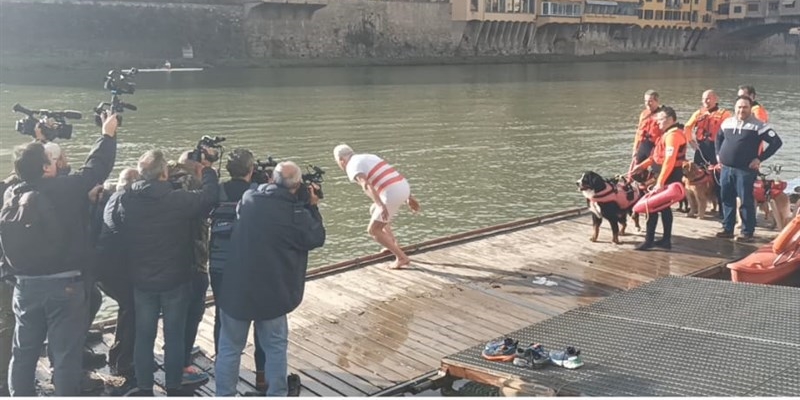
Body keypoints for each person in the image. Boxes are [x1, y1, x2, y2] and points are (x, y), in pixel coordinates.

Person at [1, 114, 118, 396]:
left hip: (25, 286)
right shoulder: (64, 188)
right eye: (51, 161)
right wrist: (107, 135)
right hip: (64, 286)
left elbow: (26, 168)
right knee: (66, 356)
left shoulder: (11, 193)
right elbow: (96, 169)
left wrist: (38, 141)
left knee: (23, 354)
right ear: (46, 168)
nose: (56, 163)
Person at [104, 149, 219, 396]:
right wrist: (207, 169)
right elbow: (209, 197)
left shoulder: (126, 199)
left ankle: (145, 388)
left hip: (142, 280)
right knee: (174, 336)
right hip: (175, 280)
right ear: (164, 174)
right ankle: (174, 386)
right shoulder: (176, 200)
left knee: (144, 337)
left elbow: (111, 221)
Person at [215, 161, 325, 397]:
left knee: (229, 349)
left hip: (237, 289)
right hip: (273, 293)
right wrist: (312, 206)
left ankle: (223, 395)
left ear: (272, 180)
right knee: (275, 349)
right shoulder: (297, 214)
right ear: (297, 186)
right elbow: (315, 237)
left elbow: (256, 198)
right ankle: (277, 394)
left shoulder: (249, 199)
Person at [209, 148, 269, 393]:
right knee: (260, 316)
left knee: (221, 317)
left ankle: (220, 365)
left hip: (220, 265)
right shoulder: (258, 194)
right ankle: (262, 375)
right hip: (251, 265)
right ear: (251, 170)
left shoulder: (217, 192)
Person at [333, 144, 420, 269]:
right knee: (373, 209)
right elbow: (391, 174)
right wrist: (409, 197)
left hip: (392, 193)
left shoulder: (352, 166)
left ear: (341, 160)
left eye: (338, 162)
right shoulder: (368, 157)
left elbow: (366, 185)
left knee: (373, 230)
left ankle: (402, 258)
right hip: (403, 186)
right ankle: (391, 243)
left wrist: (381, 204)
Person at [167, 152, 213, 387]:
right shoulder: (191, 188)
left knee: (174, 316)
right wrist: (208, 174)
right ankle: (183, 365)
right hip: (192, 263)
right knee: (192, 313)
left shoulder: (165, 182)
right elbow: (210, 200)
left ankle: (174, 351)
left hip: (168, 263)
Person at [94, 168, 140, 395]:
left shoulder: (108, 197)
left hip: (100, 268)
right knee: (131, 306)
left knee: (126, 306)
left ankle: (118, 353)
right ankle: (123, 361)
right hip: (114, 268)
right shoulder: (128, 204)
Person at [715, 96, 783, 242]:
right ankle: (727, 228)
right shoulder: (727, 122)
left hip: (745, 170)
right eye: (739, 107)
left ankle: (747, 232)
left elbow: (776, 142)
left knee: (746, 201)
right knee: (727, 199)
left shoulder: (759, 125)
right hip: (726, 168)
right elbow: (718, 138)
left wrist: (760, 159)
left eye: (745, 107)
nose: (741, 110)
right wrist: (718, 155)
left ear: (750, 109)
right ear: (735, 108)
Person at [632, 106, 687, 251]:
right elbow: (656, 156)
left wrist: (660, 182)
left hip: (668, 175)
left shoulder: (673, 136)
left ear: (670, 120)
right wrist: (642, 166)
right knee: (664, 208)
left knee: (652, 207)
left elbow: (669, 160)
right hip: (661, 173)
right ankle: (665, 240)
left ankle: (649, 241)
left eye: (661, 120)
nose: (658, 123)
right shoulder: (667, 133)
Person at [631, 90, 663, 167]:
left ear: (657, 101)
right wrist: (635, 149)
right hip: (643, 144)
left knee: (656, 168)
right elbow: (638, 132)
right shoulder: (644, 114)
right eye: (646, 101)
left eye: (650, 101)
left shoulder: (663, 115)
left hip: (655, 146)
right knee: (636, 171)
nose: (647, 104)